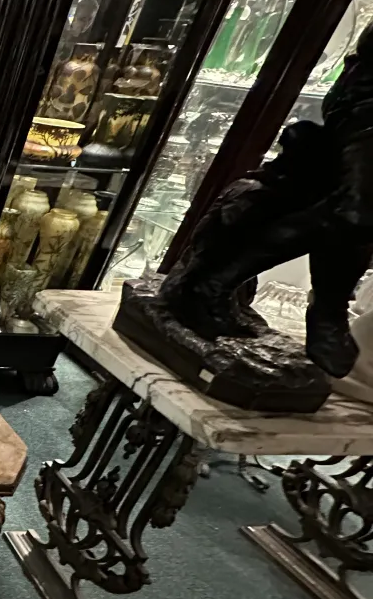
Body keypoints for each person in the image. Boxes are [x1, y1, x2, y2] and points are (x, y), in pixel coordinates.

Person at [160, 22, 373, 377]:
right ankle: (320, 310)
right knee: (357, 213)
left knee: (338, 200)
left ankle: (319, 310)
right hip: (366, 100)